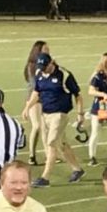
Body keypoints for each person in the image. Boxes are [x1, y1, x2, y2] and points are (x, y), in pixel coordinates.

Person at [26, 53, 85, 187]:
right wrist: (28, 107)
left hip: (59, 114)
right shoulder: (40, 74)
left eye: (45, 66)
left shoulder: (64, 75)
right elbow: (37, 92)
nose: (43, 69)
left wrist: (80, 113)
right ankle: (77, 169)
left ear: (52, 63)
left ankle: (45, 178)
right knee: (61, 144)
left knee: (51, 144)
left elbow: (78, 95)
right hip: (45, 114)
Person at [22, 41, 49, 166]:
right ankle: (32, 155)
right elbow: (34, 85)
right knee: (37, 126)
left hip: (44, 97)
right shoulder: (32, 65)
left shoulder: (47, 63)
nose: (47, 50)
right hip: (34, 98)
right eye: (45, 48)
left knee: (45, 127)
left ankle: (48, 154)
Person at [86, 53, 107, 166]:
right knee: (95, 132)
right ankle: (92, 157)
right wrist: (103, 94)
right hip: (99, 108)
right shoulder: (98, 76)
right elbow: (91, 91)